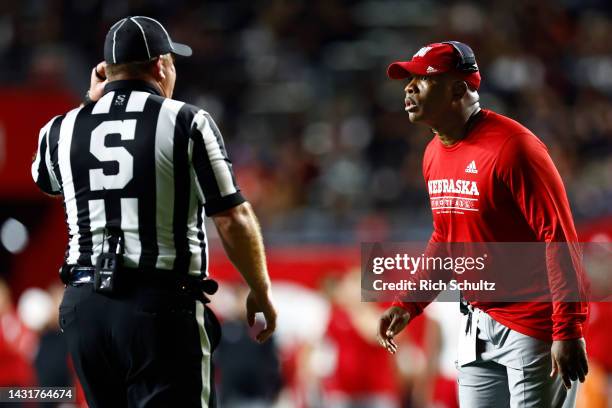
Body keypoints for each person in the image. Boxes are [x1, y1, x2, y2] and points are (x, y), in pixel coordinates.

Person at [31, 16, 277, 408]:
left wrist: (89, 102)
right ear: (161, 65)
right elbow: (232, 217)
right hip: (161, 306)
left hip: (85, 309)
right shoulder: (187, 120)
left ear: (106, 72)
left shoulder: (61, 128)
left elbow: (45, 179)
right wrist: (260, 289)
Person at [376, 42, 589, 407]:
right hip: (477, 322)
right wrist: (409, 302)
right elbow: (446, 238)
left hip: (533, 326)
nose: (409, 88)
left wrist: (567, 330)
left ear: (459, 88)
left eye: (422, 79)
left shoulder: (513, 147)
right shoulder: (433, 154)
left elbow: (558, 237)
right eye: (407, 80)